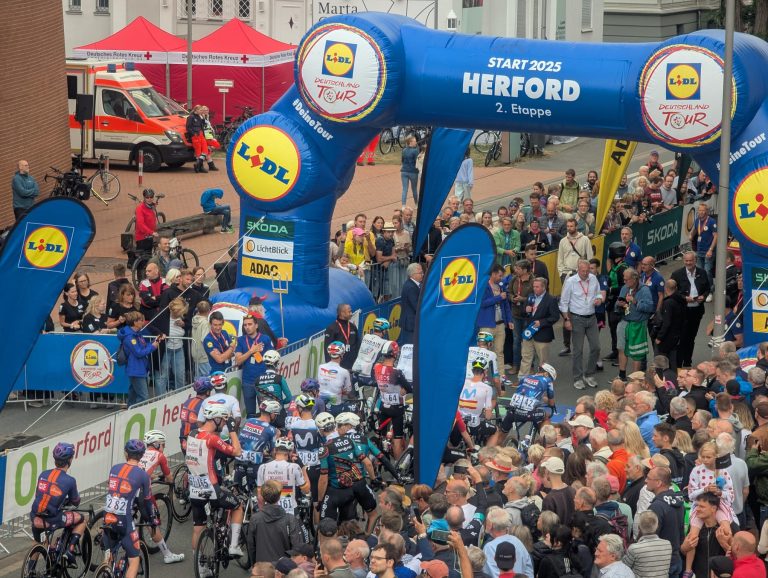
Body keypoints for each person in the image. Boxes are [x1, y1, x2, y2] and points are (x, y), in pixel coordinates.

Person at [187, 403, 245, 566]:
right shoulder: (212, 438)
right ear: (217, 419)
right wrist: (232, 430)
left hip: (194, 489)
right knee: (238, 506)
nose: (224, 424)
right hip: (211, 488)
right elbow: (237, 451)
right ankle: (234, 545)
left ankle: (200, 566)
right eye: (224, 421)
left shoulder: (192, 433)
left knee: (198, 528)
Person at [316, 413, 377, 534]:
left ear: (321, 430)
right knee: (349, 526)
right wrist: (373, 479)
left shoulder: (324, 448)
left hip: (334, 491)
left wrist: (319, 500)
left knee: (326, 529)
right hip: (350, 490)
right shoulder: (349, 440)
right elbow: (368, 463)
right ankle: (364, 542)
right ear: (334, 426)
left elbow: (323, 478)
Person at [102, 440, 156, 578]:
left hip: (107, 517)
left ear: (126, 453)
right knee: (134, 559)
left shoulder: (114, 468)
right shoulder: (143, 475)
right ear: (142, 456)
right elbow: (146, 501)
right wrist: (151, 519)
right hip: (123, 520)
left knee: (108, 556)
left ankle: (106, 570)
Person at [29, 442, 86, 564]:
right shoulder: (70, 480)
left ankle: (29, 570)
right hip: (52, 520)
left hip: (35, 517)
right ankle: (70, 550)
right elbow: (76, 501)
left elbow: (38, 495)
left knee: (38, 543)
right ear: (70, 460)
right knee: (82, 519)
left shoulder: (43, 474)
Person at [137, 431, 185, 563]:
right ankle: (167, 554)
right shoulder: (160, 455)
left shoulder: (139, 452)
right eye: (163, 445)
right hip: (142, 492)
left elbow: (143, 471)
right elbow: (169, 477)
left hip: (127, 487)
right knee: (152, 523)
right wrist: (170, 482)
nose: (164, 448)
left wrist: (156, 477)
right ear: (157, 444)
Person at [559, 260, 602, 390]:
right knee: (578, 350)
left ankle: (589, 374)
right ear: (578, 269)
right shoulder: (571, 281)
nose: (585, 273)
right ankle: (578, 377)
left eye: (587, 270)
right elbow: (564, 302)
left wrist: (599, 299)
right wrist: (566, 319)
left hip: (592, 317)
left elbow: (599, 293)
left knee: (596, 347)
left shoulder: (593, 278)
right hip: (577, 318)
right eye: (583, 271)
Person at [247, 478, 305, 564]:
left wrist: (254, 564)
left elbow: (251, 546)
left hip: (262, 567)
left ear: (263, 496)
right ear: (279, 496)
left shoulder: (255, 519)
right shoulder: (289, 519)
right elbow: (296, 547)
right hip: (283, 567)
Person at [671, 251, 711, 368]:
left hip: (696, 311)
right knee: (681, 337)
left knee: (691, 337)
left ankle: (688, 362)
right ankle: (678, 364)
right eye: (686, 261)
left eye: (690, 260)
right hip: (682, 311)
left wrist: (703, 297)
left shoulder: (702, 273)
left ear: (695, 261)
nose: (688, 263)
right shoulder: (677, 274)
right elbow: (672, 291)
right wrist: (684, 298)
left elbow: (707, 288)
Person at [373, 341, 412, 459]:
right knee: (397, 441)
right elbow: (409, 389)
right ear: (395, 354)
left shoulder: (377, 367)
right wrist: (404, 390)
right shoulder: (396, 372)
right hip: (396, 409)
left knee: (380, 435)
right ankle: (398, 470)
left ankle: (378, 459)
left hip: (383, 406)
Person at [500, 364, 557, 443]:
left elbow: (517, 387)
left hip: (512, 411)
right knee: (546, 416)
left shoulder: (526, 377)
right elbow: (551, 402)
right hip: (529, 413)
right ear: (546, 374)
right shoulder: (548, 381)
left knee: (501, 432)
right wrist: (552, 404)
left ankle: (496, 447)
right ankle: (547, 441)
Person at [118, 311, 164, 407]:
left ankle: (130, 411)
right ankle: (138, 413)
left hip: (140, 368)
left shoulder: (137, 334)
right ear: (135, 322)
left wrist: (154, 342)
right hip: (135, 369)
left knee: (133, 394)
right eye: (141, 320)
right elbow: (139, 352)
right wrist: (153, 347)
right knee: (144, 396)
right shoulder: (130, 337)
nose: (143, 322)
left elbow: (143, 346)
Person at [645, 467, 685, 577]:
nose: (645, 481)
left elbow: (650, 537)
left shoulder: (656, 506)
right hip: (676, 558)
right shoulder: (678, 502)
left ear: (658, 483)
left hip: (661, 563)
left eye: (648, 478)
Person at [518, 277, 560, 378]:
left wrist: (541, 322)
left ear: (544, 287)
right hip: (528, 333)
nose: (534, 289)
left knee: (543, 361)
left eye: (537, 287)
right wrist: (525, 310)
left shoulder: (551, 299)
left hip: (542, 335)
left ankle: (543, 381)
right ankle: (522, 379)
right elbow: (522, 313)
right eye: (534, 286)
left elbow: (555, 317)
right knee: (525, 357)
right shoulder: (530, 297)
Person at [616, 267, 654, 378]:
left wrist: (634, 301)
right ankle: (621, 375)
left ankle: (635, 378)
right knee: (621, 348)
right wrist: (619, 305)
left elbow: (649, 307)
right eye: (624, 279)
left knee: (636, 353)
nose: (624, 281)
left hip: (637, 324)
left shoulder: (644, 290)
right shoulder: (624, 288)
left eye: (626, 279)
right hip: (624, 321)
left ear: (634, 278)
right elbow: (617, 303)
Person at [478, 264, 512, 388]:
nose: (501, 278)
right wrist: (498, 297)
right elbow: (482, 304)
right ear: (493, 273)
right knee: (484, 352)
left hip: (500, 324)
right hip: (487, 324)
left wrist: (509, 320)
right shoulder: (483, 286)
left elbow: (506, 305)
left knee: (499, 351)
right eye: (499, 275)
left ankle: (501, 375)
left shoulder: (501, 286)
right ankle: (484, 376)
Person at [235, 313, 274, 418]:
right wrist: (251, 351)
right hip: (248, 381)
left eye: (250, 324)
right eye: (245, 325)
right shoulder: (241, 340)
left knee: (266, 411)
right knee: (250, 413)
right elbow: (238, 361)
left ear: (256, 325)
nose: (247, 327)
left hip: (263, 381)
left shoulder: (265, 339)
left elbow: (273, 357)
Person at [654, 279, 686, 370]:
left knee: (661, 361)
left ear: (665, 288)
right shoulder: (681, 300)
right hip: (677, 335)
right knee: (673, 360)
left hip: (667, 337)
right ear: (676, 288)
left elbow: (666, 322)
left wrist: (659, 337)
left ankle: (661, 378)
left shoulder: (668, 303)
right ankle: (672, 379)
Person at [318, 342, 354, 416]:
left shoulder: (321, 367)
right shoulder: (344, 372)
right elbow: (348, 391)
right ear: (342, 354)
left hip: (320, 404)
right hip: (335, 406)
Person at [690, 203, 718, 295]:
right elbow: (695, 230)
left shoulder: (711, 221)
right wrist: (691, 236)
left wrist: (711, 250)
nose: (701, 212)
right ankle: (702, 290)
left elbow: (716, 236)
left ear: (706, 211)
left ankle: (710, 291)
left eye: (703, 210)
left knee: (707, 271)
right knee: (699, 272)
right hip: (699, 250)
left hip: (708, 251)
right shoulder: (697, 220)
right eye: (700, 210)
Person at [324, 303, 360, 371]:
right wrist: (330, 366)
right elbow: (327, 349)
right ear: (342, 313)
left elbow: (358, 344)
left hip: (351, 366)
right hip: (338, 367)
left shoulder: (353, 327)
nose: (351, 313)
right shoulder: (332, 328)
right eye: (349, 312)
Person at [399, 263, 422, 346]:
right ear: (413, 275)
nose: (422, 275)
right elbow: (417, 306)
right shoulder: (411, 287)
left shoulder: (414, 284)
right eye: (420, 273)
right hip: (410, 324)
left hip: (411, 323)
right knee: (409, 348)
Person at [134, 188, 158, 256]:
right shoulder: (140, 208)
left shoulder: (151, 206)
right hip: (142, 238)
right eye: (147, 197)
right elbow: (141, 225)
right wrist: (152, 232)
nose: (149, 199)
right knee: (144, 260)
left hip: (149, 237)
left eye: (151, 197)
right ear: (144, 198)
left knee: (149, 257)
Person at [186, 104, 209, 173]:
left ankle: (197, 164)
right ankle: (200, 167)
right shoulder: (191, 117)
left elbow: (204, 125)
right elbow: (188, 127)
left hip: (201, 135)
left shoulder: (199, 117)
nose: (202, 111)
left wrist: (204, 118)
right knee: (198, 152)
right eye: (200, 110)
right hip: (196, 136)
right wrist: (194, 134)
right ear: (196, 110)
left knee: (205, 150)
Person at [401, 136, 419, 206]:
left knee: (404, 189)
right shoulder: (415, 151)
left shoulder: (404, 150)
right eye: (414, 141)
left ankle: (403, 205)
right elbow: (417, 161)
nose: (416, 142)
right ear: (410, 142)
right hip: (413, 172)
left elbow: (402, 160)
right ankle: (416, 204)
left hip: (404, 171)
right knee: (414, 189)